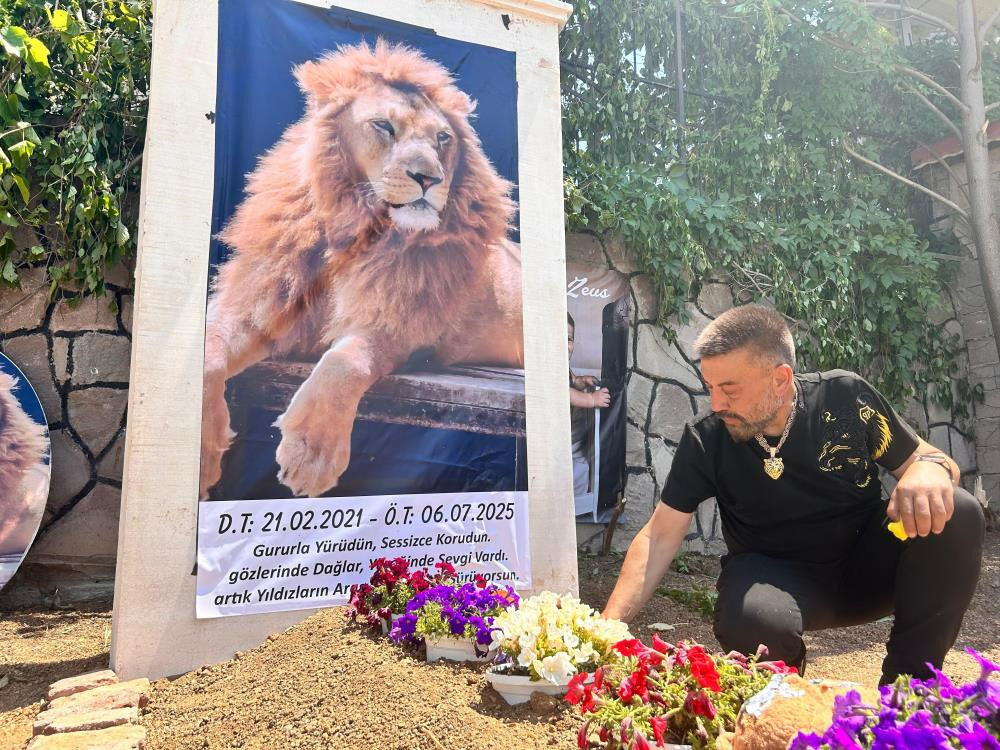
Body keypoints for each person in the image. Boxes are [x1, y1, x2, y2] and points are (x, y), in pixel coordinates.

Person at [602, 304, 985, 684]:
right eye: (710, 388)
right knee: (748, 621)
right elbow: (658, 535)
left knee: (959, 511)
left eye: (730, 389)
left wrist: (926, 468)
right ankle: (783, 699)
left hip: (869, 566)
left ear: (780, 379)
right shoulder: (706, 439)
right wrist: (607, 629)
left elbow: (935, 462)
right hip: (773, 581)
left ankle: (908, 692)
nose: (717, 404)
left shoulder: (846, 398)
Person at [568, 313, 610, 496]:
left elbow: (572, 382)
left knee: (578, 459)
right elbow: (563, 393)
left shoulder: (563, 368)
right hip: (554, 436)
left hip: (570, 433)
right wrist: (591, 400)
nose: (565, 344)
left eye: (569, 339)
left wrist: (581, 381)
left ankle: (580, 493)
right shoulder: (547, 367)